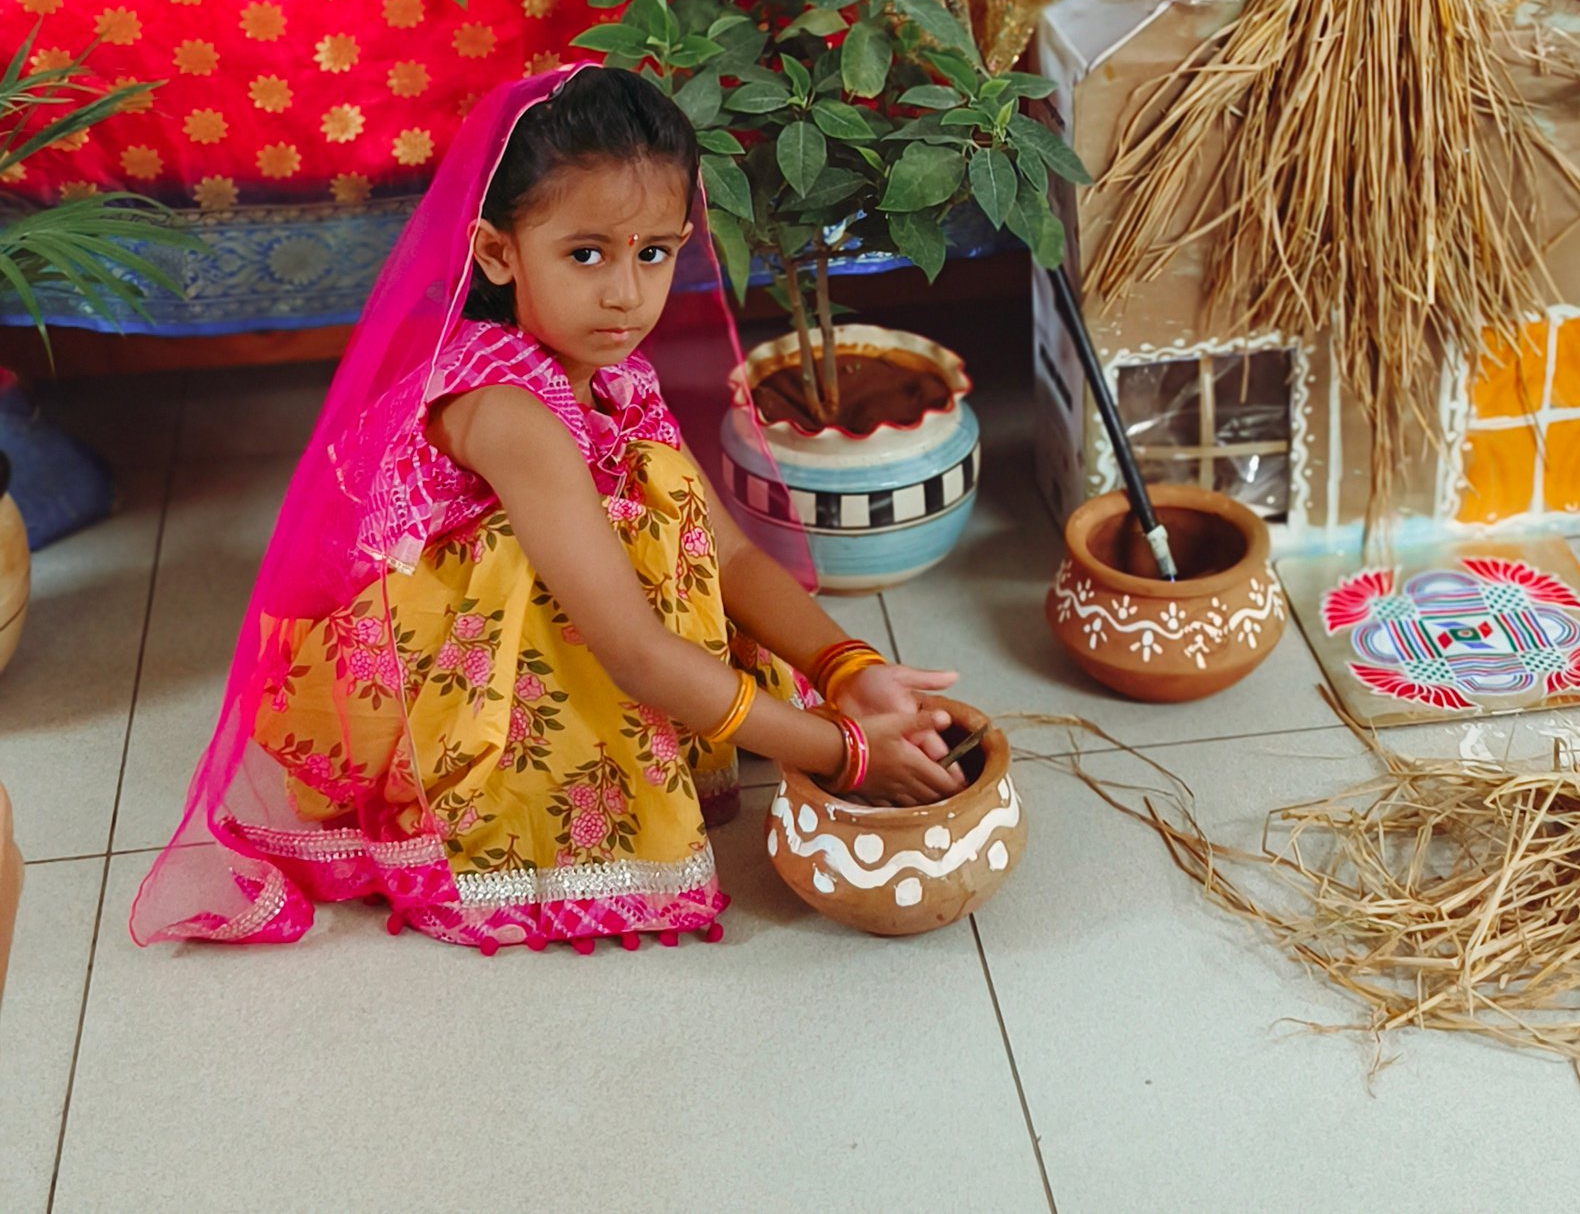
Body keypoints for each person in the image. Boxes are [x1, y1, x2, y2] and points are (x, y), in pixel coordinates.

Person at [131, 66, 962, 956]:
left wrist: (847, 669)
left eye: (653, 251)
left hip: (585, 615)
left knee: (665, 491)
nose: (625, 293)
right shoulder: (510, 412)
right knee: (602, 546)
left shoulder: (609, 371)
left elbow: (730, 551)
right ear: (496, 252)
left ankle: (732, 708)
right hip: (436, 677)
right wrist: (840, 753)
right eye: (586, 252)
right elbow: (636, 651)